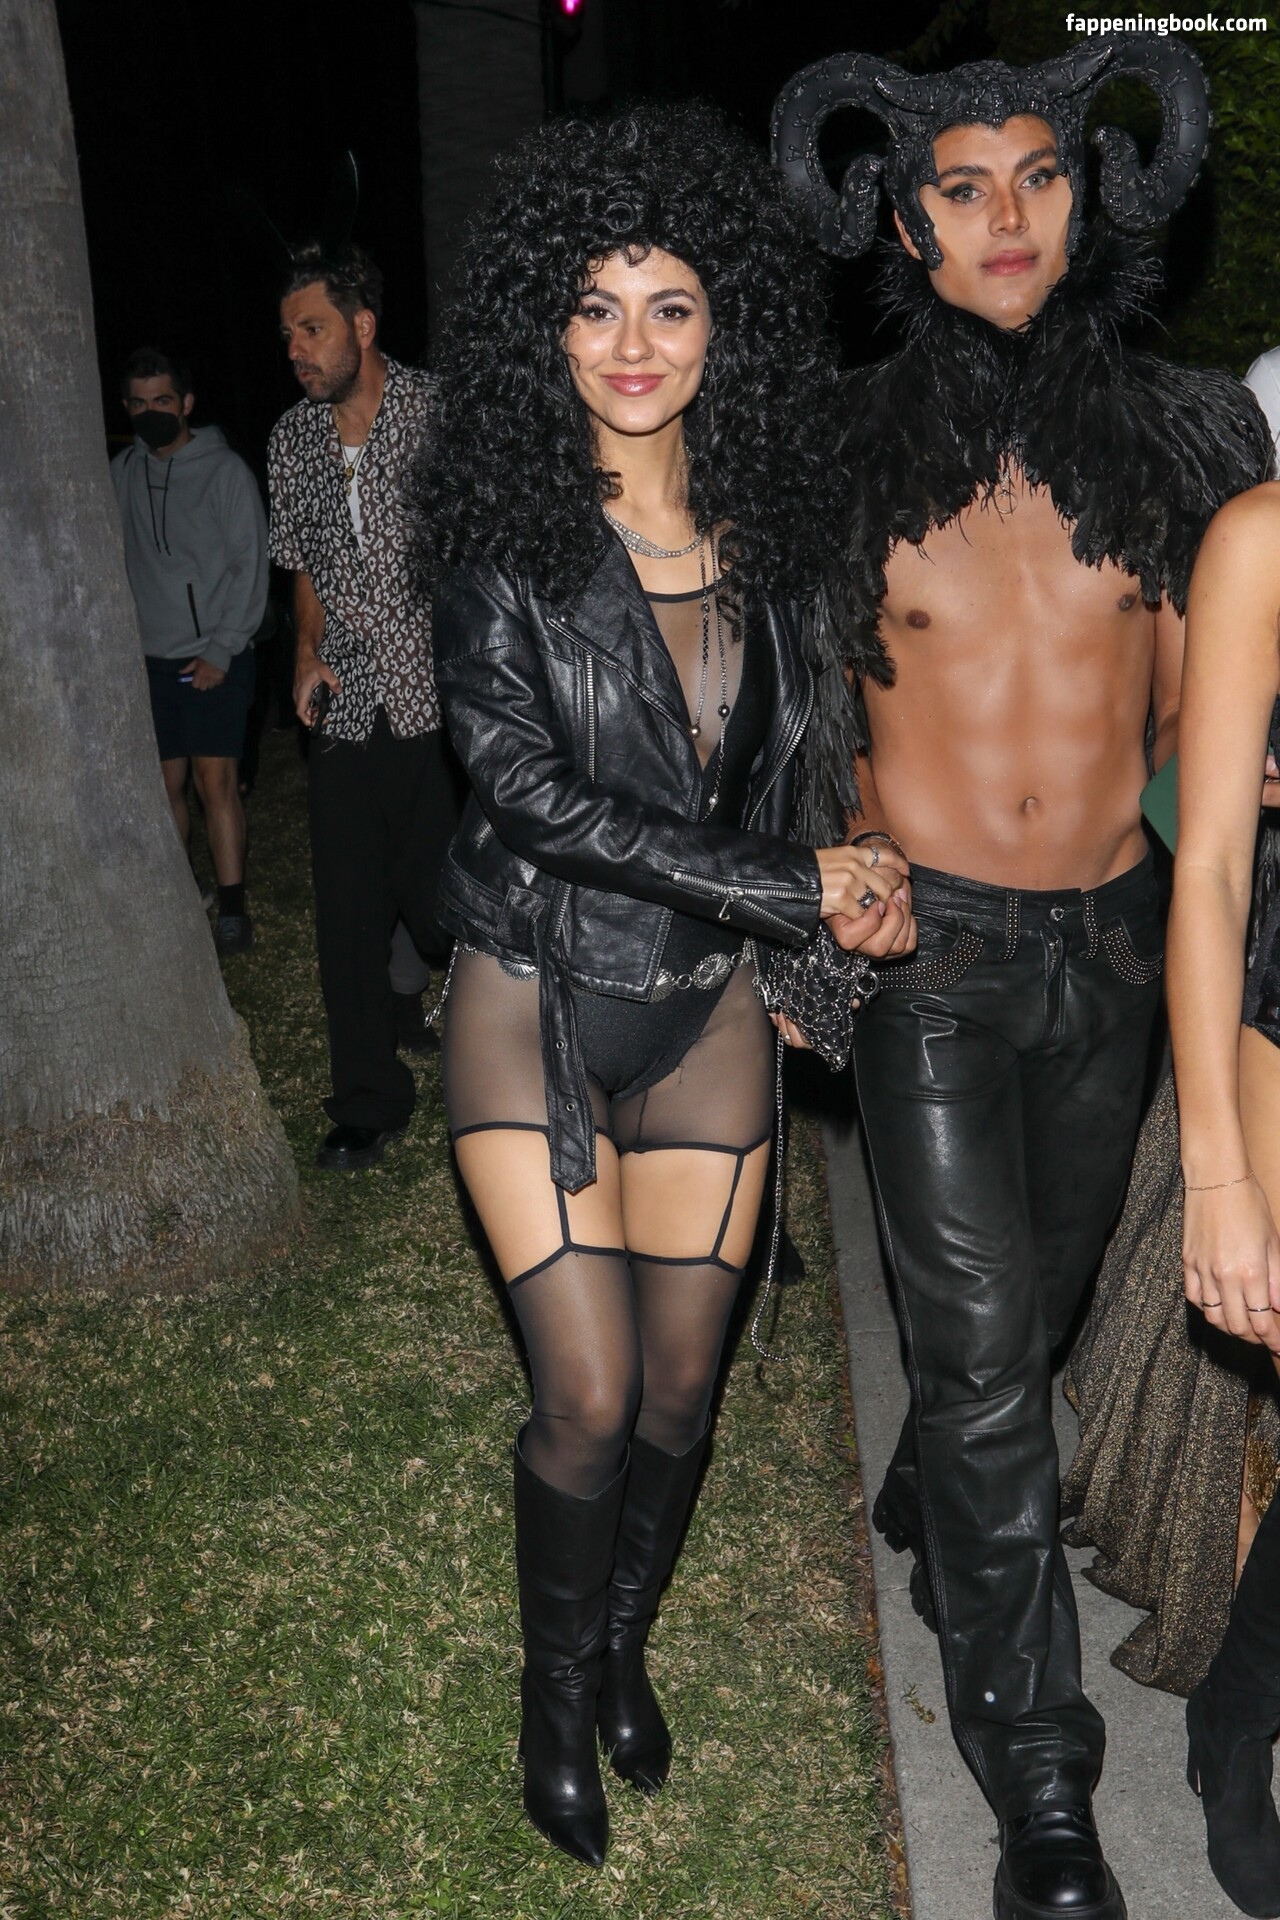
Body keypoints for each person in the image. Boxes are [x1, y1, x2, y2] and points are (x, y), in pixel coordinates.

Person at [771, 35, 1271, 1920]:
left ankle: (938, 1489)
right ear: (905, 220)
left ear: (1091, 198)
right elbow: (782, 697)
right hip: (935, 958)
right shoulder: (840, 451)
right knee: (987, 1363)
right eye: (964, 187)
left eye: (1041, 177)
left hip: (1119, 945)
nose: (1007, 218)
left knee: (1031, 1315)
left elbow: (1214, 706)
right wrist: (816, 872)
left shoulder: (1187, 442)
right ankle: (1043, 1789)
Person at [418, 98, 914, 1868]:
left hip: (705, 1009)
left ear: (728, 330)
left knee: (686, 1395)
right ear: (543, 332)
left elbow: (799, 770)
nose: (632, 345)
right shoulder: (500, 536)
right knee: (592, 1396)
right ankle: (555, 1700)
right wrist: (792, 884)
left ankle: (624, 1637)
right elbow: (534, 801)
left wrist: (848, 881)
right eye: (595, 305)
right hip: (533, 998)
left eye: (672, 305)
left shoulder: (775, 542)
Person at [268, 243, 458, 1172]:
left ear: (364, 326)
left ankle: (497, 1056)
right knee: (346, 916)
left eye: (312, 329)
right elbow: (302, 561)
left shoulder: (441, 415)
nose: (296, 350)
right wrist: (305, 647)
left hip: (443, 699)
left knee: (447, 906)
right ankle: (368, 1103)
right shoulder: (290, 440)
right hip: (343, 700)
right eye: (288, 335)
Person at [1165, 484, 1280, 1916]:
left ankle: (1236, 1697)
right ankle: (1239, 1715)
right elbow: (1206, 863)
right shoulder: (1261, 542)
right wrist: (1216, 1171)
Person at [112, 347, 267, 955]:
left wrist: (221, 651)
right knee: (163, 786)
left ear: (187, 404)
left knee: (214, 782)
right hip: (148, 660)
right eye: (138, 403)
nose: (151, 412)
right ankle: (181, 896)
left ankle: (232, 910)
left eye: (162, 400)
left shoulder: (225, 472)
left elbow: (249, 566)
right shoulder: (122, 472)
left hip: (216, 653)